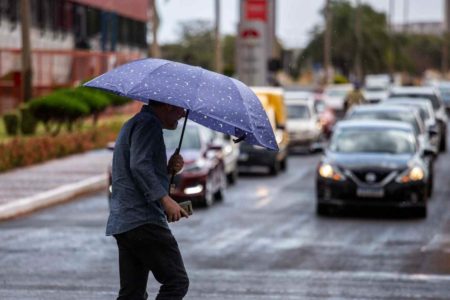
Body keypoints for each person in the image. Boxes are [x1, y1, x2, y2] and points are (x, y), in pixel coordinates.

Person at [106, 100, 190, 300]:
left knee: (132, 294)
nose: (184, 114)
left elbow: (136, 167)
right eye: (181, 108)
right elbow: (139, 165)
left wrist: (168, 169)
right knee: (177, 281)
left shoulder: (135, 123)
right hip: (143, 220)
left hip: (125, 222)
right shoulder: (148, 124)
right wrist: (165, 200)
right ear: (169, 106)